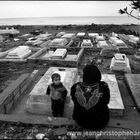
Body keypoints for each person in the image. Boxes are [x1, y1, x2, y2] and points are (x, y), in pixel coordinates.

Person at [70, 64, 110, 129]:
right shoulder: (103, 86)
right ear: (98, 74)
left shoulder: (75, 87)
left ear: (85, 75)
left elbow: (75, 101)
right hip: (100, 122)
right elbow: (107, 102)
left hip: (80, 121)